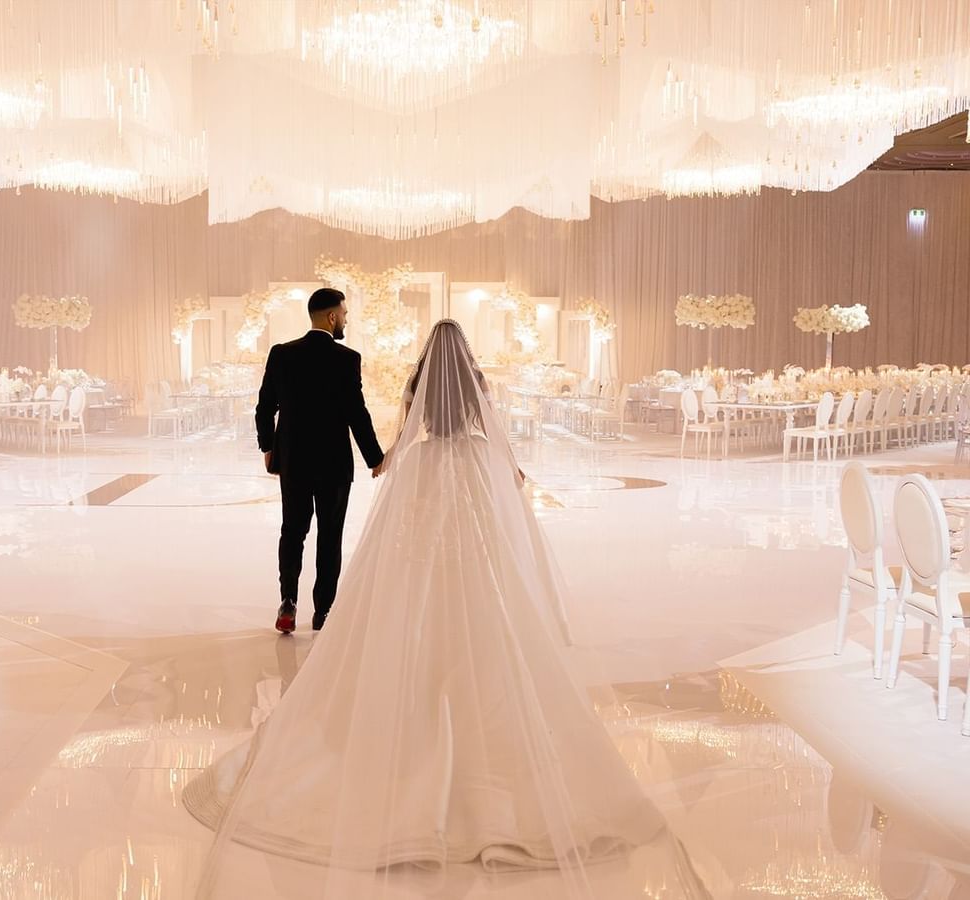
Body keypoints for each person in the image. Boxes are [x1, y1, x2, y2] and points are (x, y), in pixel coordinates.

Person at [186, 320, 708, 899]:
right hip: (473, 472)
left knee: (414, 577)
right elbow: (497, 436)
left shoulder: (416, 384)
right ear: (465, 358)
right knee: (482, 581)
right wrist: (510, 472)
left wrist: (388, 464)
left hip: (428, 472)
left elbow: (408, 435)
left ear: (429, 359)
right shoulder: (478, 383)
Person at [255, 287, 384, 634]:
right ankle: (323, 611)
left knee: (292, 532)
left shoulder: (281, 354)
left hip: (294, 462)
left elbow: (265, 407)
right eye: (344, 313)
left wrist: (268, 447)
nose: (346, 319)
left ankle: (288, 601)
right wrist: (375, 457)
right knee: (330, 537)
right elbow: (356, 413)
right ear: (331, 317)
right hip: (333, 465)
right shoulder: (346, 359)